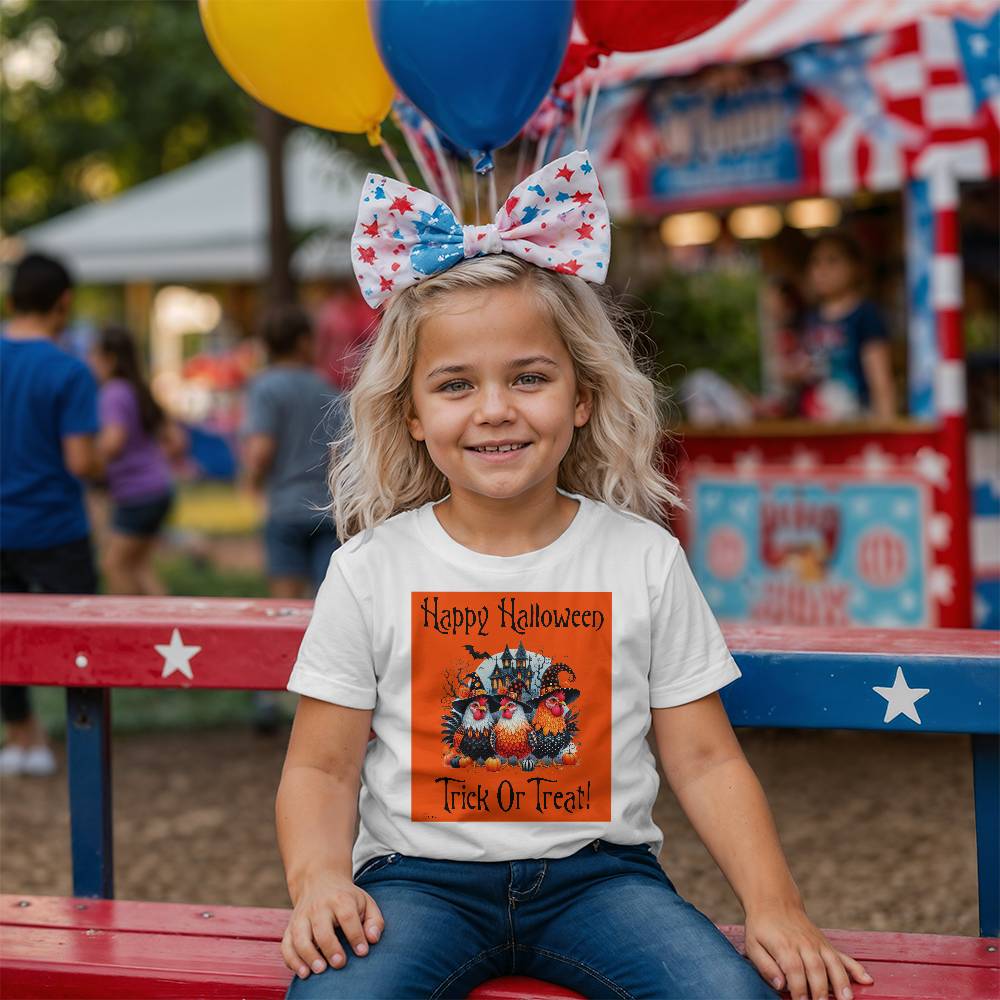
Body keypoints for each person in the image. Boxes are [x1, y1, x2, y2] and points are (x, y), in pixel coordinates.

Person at [275, 153, 875, 1000]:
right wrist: (318, 883)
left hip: (603, 882)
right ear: (411, 413)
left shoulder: (642, 557)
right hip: (416, 883)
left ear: (582, 395)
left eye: (530, 377)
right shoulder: (372, 569)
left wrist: (775, 906)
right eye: (455, 385)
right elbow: (321, 771)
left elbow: (704, 761)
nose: (495, 409)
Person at [0, 253, 101, 776]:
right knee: (80, 635)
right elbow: (80, 460)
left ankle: (22, 736)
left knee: (2, 635)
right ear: (64, 302)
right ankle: (84, 744)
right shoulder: (69, 370)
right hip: (55, 525)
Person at [242, 304, 344, 732]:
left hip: (283, 507)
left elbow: (261, 448)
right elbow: (340, 450)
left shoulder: (264, 387)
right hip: (325, 508)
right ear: (304, 341)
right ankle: (326, 694)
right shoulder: (325, 385)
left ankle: (269, 696)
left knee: (284, 608)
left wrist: (250, 482)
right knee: (327, 610)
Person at [90, 324, 185, 595]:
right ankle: (167, 627)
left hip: (137, 494)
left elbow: (114, 440)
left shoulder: (113, 392)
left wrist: (87, 457)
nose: (91, 362)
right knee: (140, 566)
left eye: (95, 355)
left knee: (114, 565)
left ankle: (127, 629)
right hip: (157, 488)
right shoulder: (138, 389)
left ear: (110, 359)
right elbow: (177, 440)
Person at [796, 232, 896, 422]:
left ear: (855, 267)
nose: (822, 270)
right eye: (816, 262)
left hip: (855, 419)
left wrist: (886, 425)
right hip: (814, 420)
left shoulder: (865, 314)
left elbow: (880, 380)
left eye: (832, 261)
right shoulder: (810, 318)